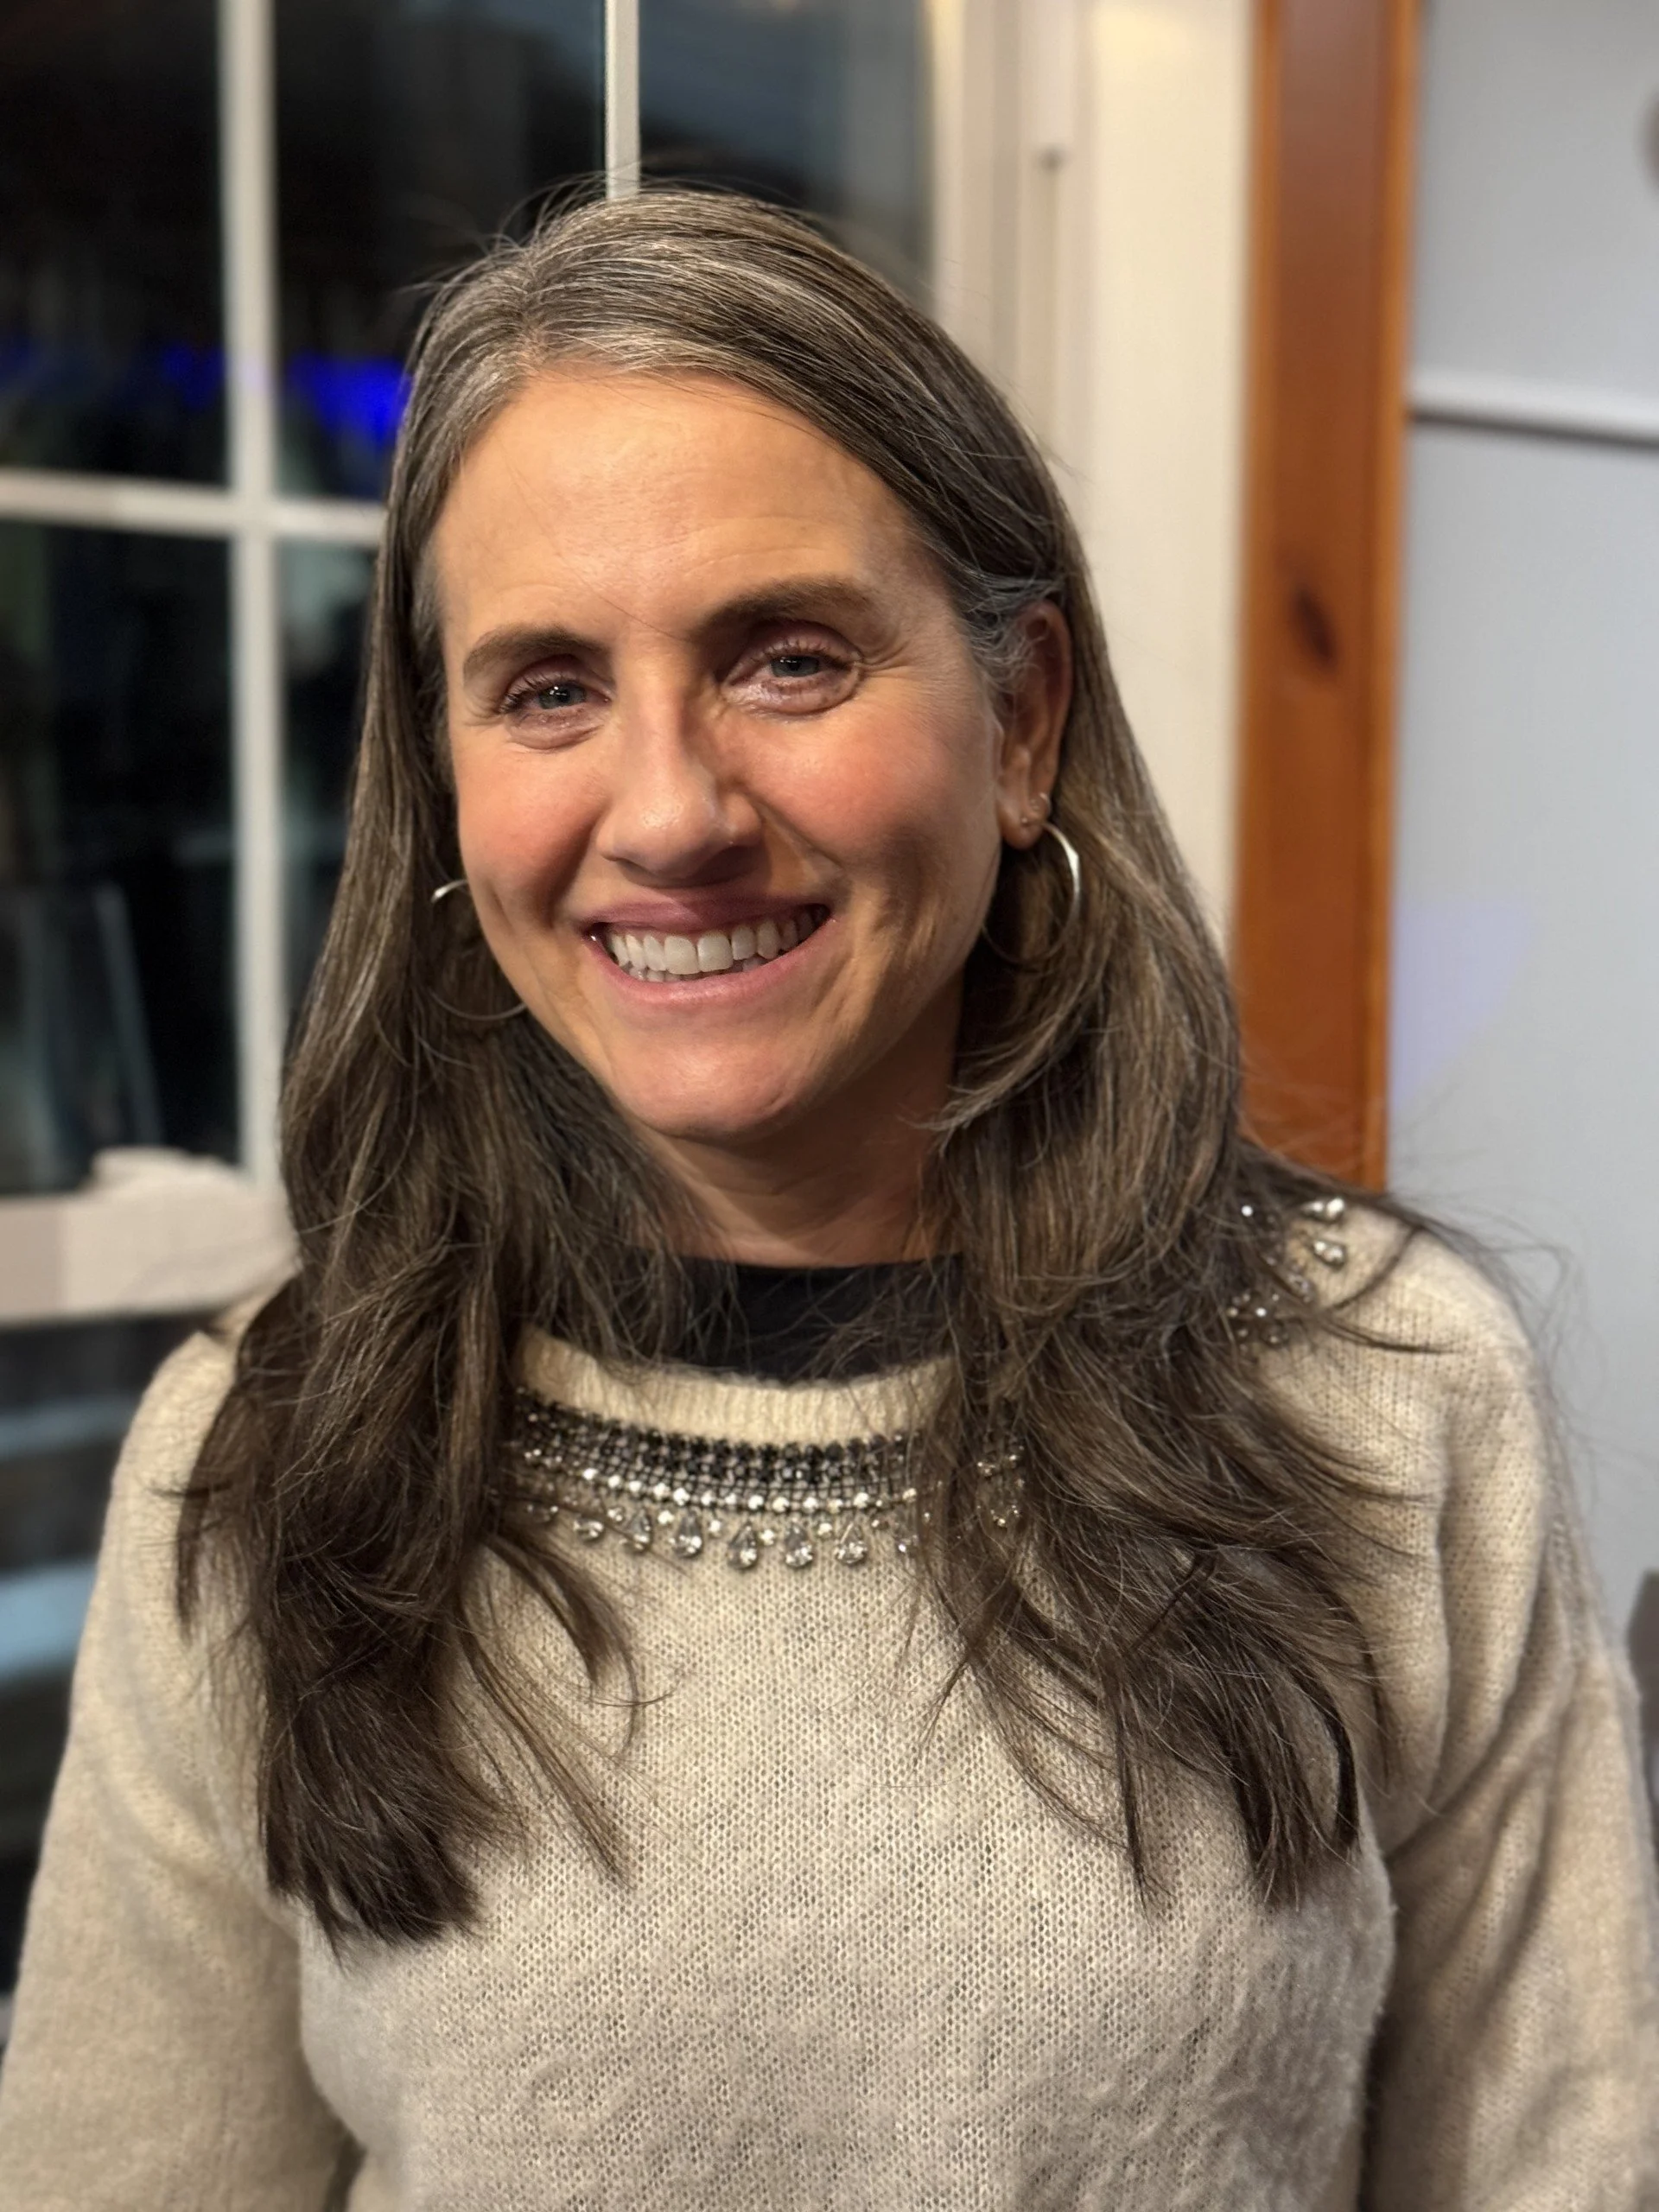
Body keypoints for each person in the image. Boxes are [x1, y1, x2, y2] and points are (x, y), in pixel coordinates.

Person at [0, 188, 1654, 2210]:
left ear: (1021, 720)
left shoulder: (1390, 1397)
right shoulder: (267, 1461)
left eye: (787, 659)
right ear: (444, 779)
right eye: (547, 687)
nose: (670, 810)